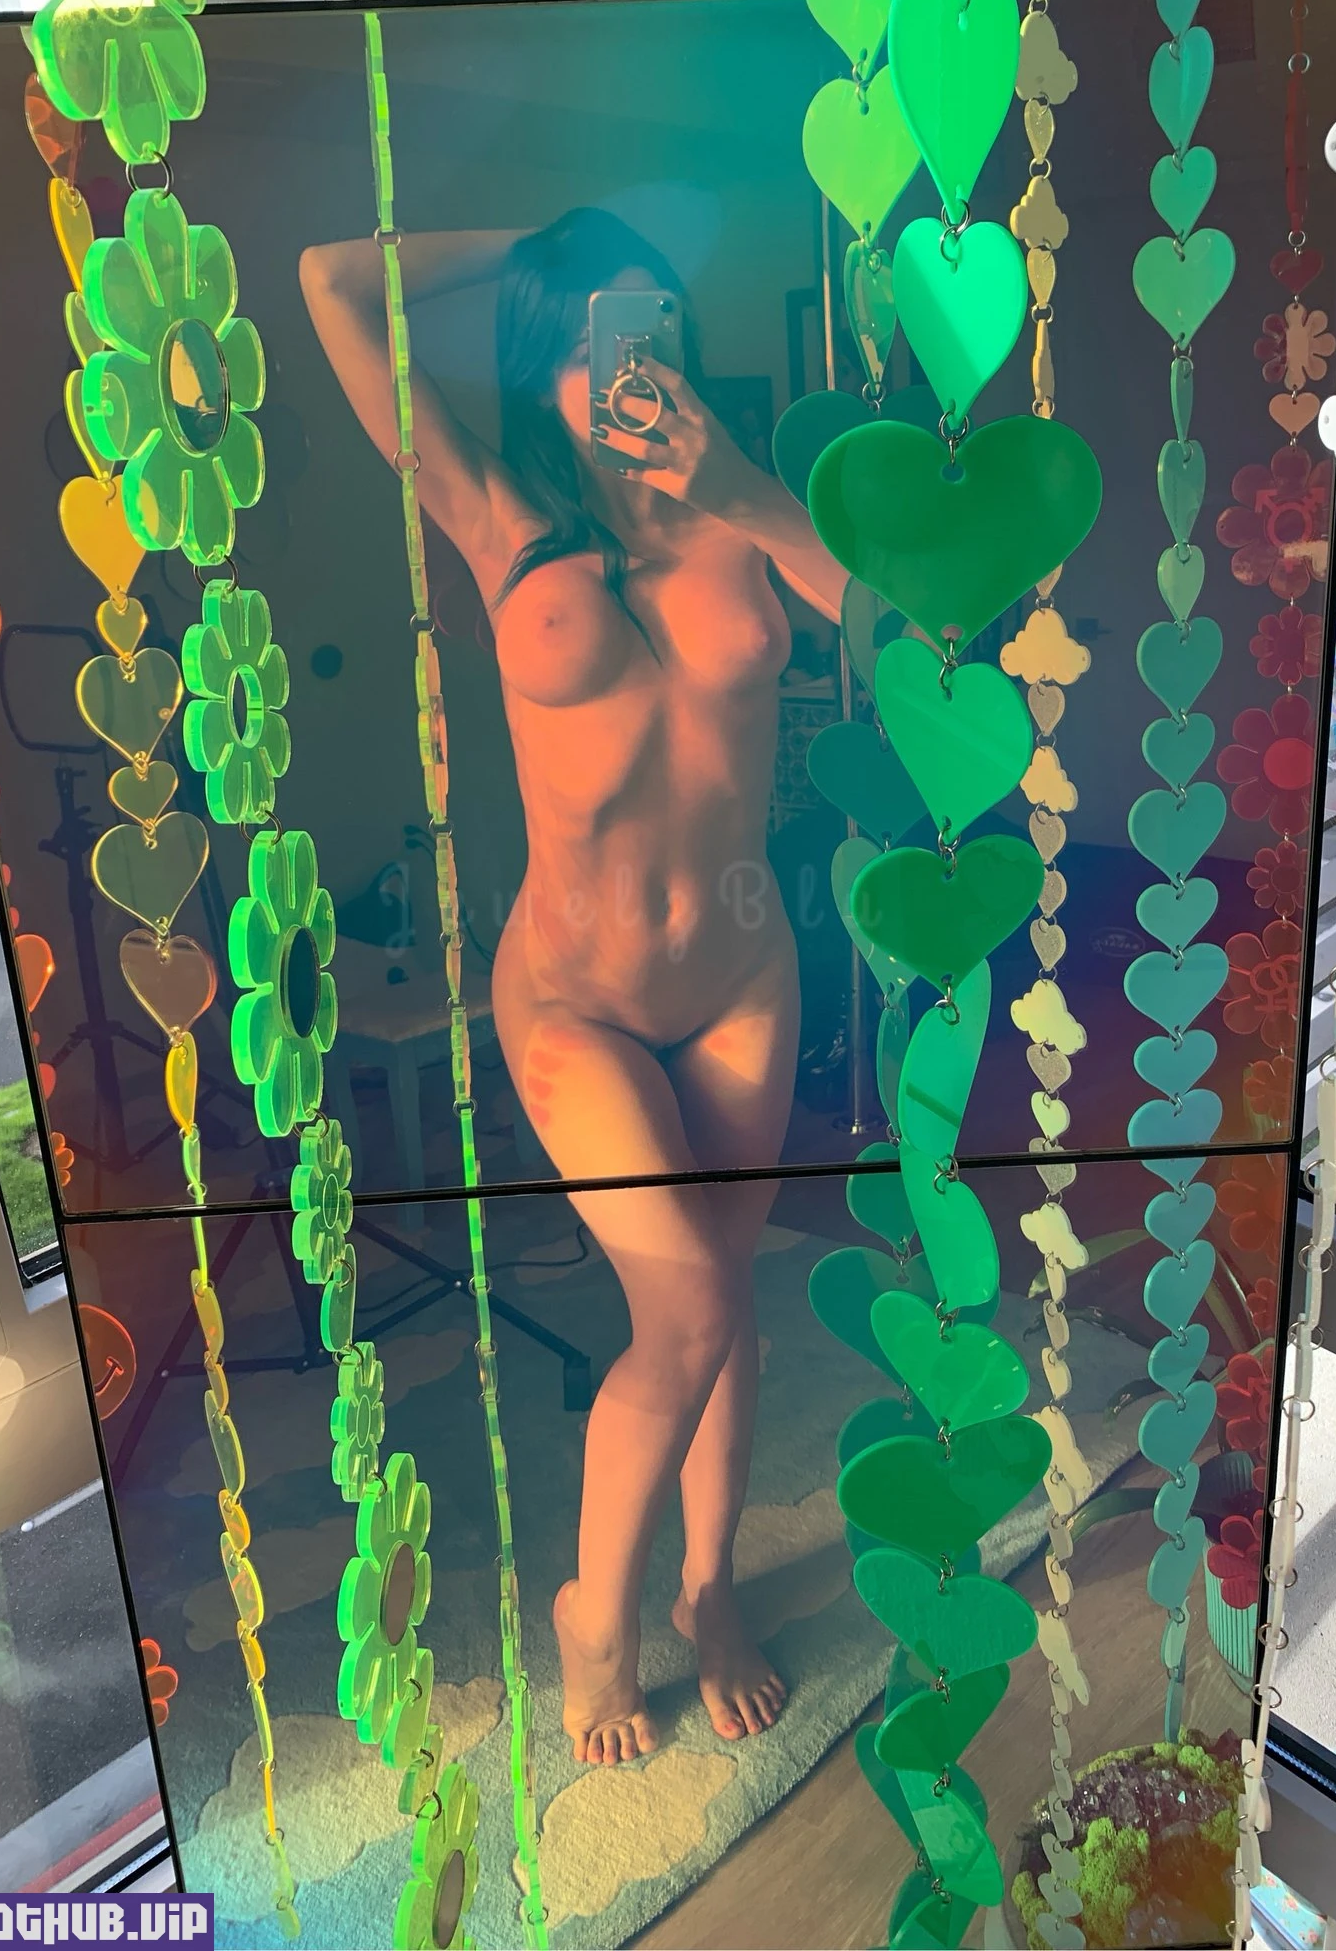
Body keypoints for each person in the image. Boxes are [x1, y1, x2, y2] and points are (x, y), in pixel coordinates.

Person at [301, 208, 846, 1766]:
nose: (637, 365)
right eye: (602, 336)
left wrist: (741, 489)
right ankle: (592, 1615)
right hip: (575, 1003)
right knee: (684, 1307)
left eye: (657, 325)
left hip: (743, 973)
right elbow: (330, 281)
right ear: (547, 356)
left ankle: (708, 1591)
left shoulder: (749, 508)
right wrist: (536, 238)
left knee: (727, 1305)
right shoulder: (495, 516)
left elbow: (918, 635)